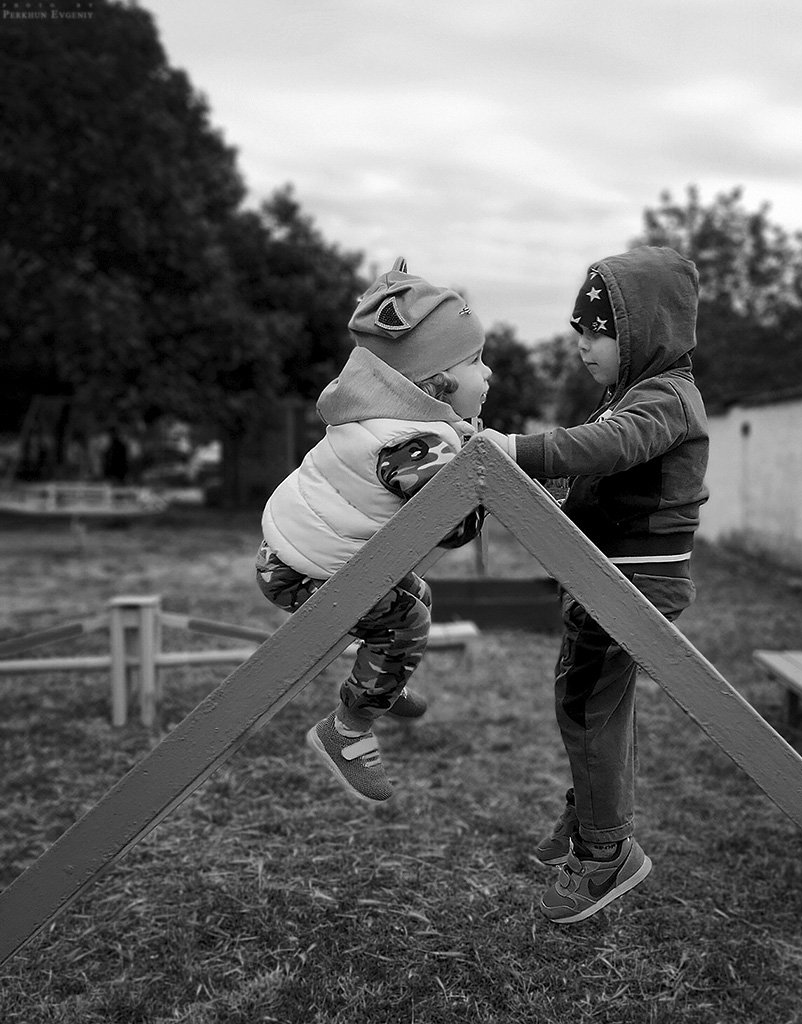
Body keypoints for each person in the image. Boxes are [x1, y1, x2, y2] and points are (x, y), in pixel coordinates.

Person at [482, 246, 708, 923]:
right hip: (605, 579)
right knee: (592, 707)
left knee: (583, 708)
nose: (583, 346)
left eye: (598, 331)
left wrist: (519, 449)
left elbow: (609, 450)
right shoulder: (631, 399)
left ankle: (607, 851)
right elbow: (593, 477)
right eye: (578, 330)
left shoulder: (665, 398)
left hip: (632, 585)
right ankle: (587, 818)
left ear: (644, 332)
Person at [256, 258, 491, 804]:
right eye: (478, 361)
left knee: (415, 593)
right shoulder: (411, 441)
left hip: (286, 555)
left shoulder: (380, 420)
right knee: (404, 619)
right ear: (439, 382)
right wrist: (486, 489)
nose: (489, 375)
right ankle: (347, 730)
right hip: (304, 571)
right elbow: (453, 525)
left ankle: (383, 681)